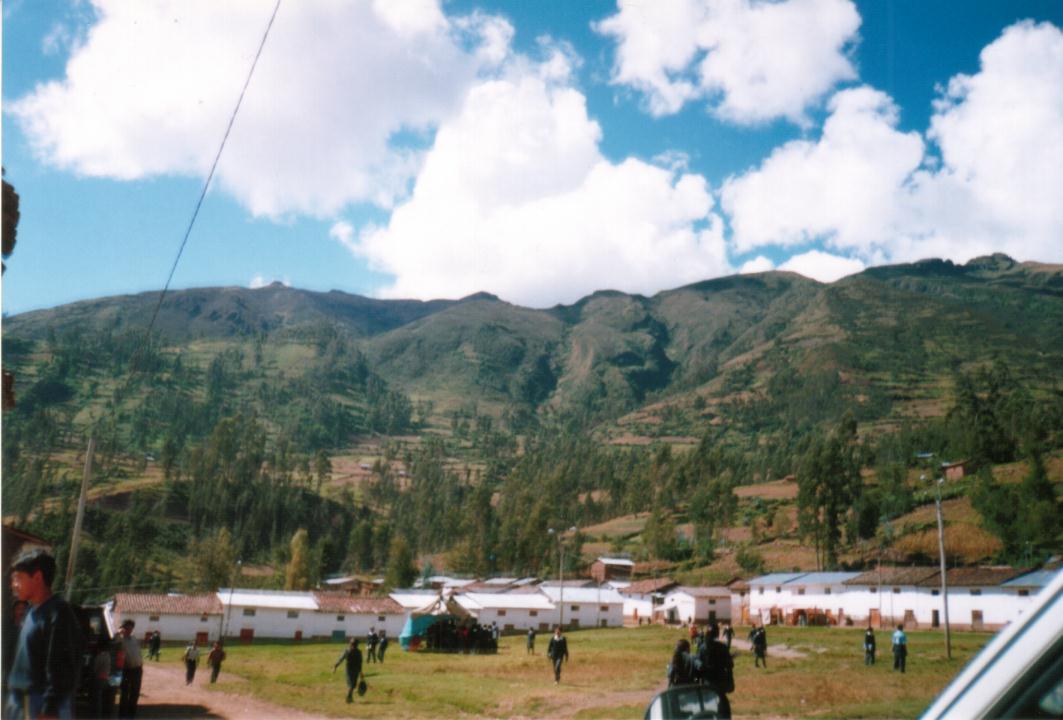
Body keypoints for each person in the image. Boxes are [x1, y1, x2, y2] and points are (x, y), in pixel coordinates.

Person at [6, 547, 83, 720]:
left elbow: (62, 669)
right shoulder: (31, 612)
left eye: (18, 578)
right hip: (21, 703)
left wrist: (50, 710)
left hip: (39, 706)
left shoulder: (58, 613)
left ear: (38, 577)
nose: (14, 585)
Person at [697, 623, 734, 719]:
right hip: (720, 682)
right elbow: (729, 665)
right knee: (722, 709)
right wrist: (730, 681)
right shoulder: (723, 647)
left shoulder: (702, 648)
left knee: (706, 709)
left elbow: (699, 665)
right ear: (717, 633)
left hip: (707, 682)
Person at [117, 619, 144, 718]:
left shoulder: (134, 638)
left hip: (137, 669)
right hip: (127, 669)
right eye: (127, 628)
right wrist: (119, 632)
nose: (129, 630)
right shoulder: (120, 639)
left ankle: (131, 715)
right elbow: (113, 639)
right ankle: (122, 715)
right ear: (123, 629)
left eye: (131, 628)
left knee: (135, 692)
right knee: (125, 693)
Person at [333, 638, 363, 704]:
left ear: (350, 644)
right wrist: (360, 672)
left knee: (353, 685)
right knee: (352, 685)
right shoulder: (358, 652)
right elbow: (360, 663)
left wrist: (335, 666)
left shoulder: (347, 651)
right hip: (354, 670)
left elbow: (341, 659)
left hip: (350, 670)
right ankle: (348, 697)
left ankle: (350, 697)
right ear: (357, 645)